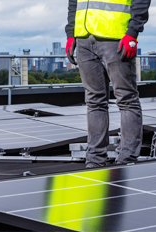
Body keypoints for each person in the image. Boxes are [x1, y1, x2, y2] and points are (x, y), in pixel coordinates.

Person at [65, 0, 151, 168]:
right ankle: (94, 161)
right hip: (84, 38)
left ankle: (127, 159)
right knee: (94, 101)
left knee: (126, 99)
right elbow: (74, 2)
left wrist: (132, 33)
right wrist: (71, 32)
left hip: (116, 37)